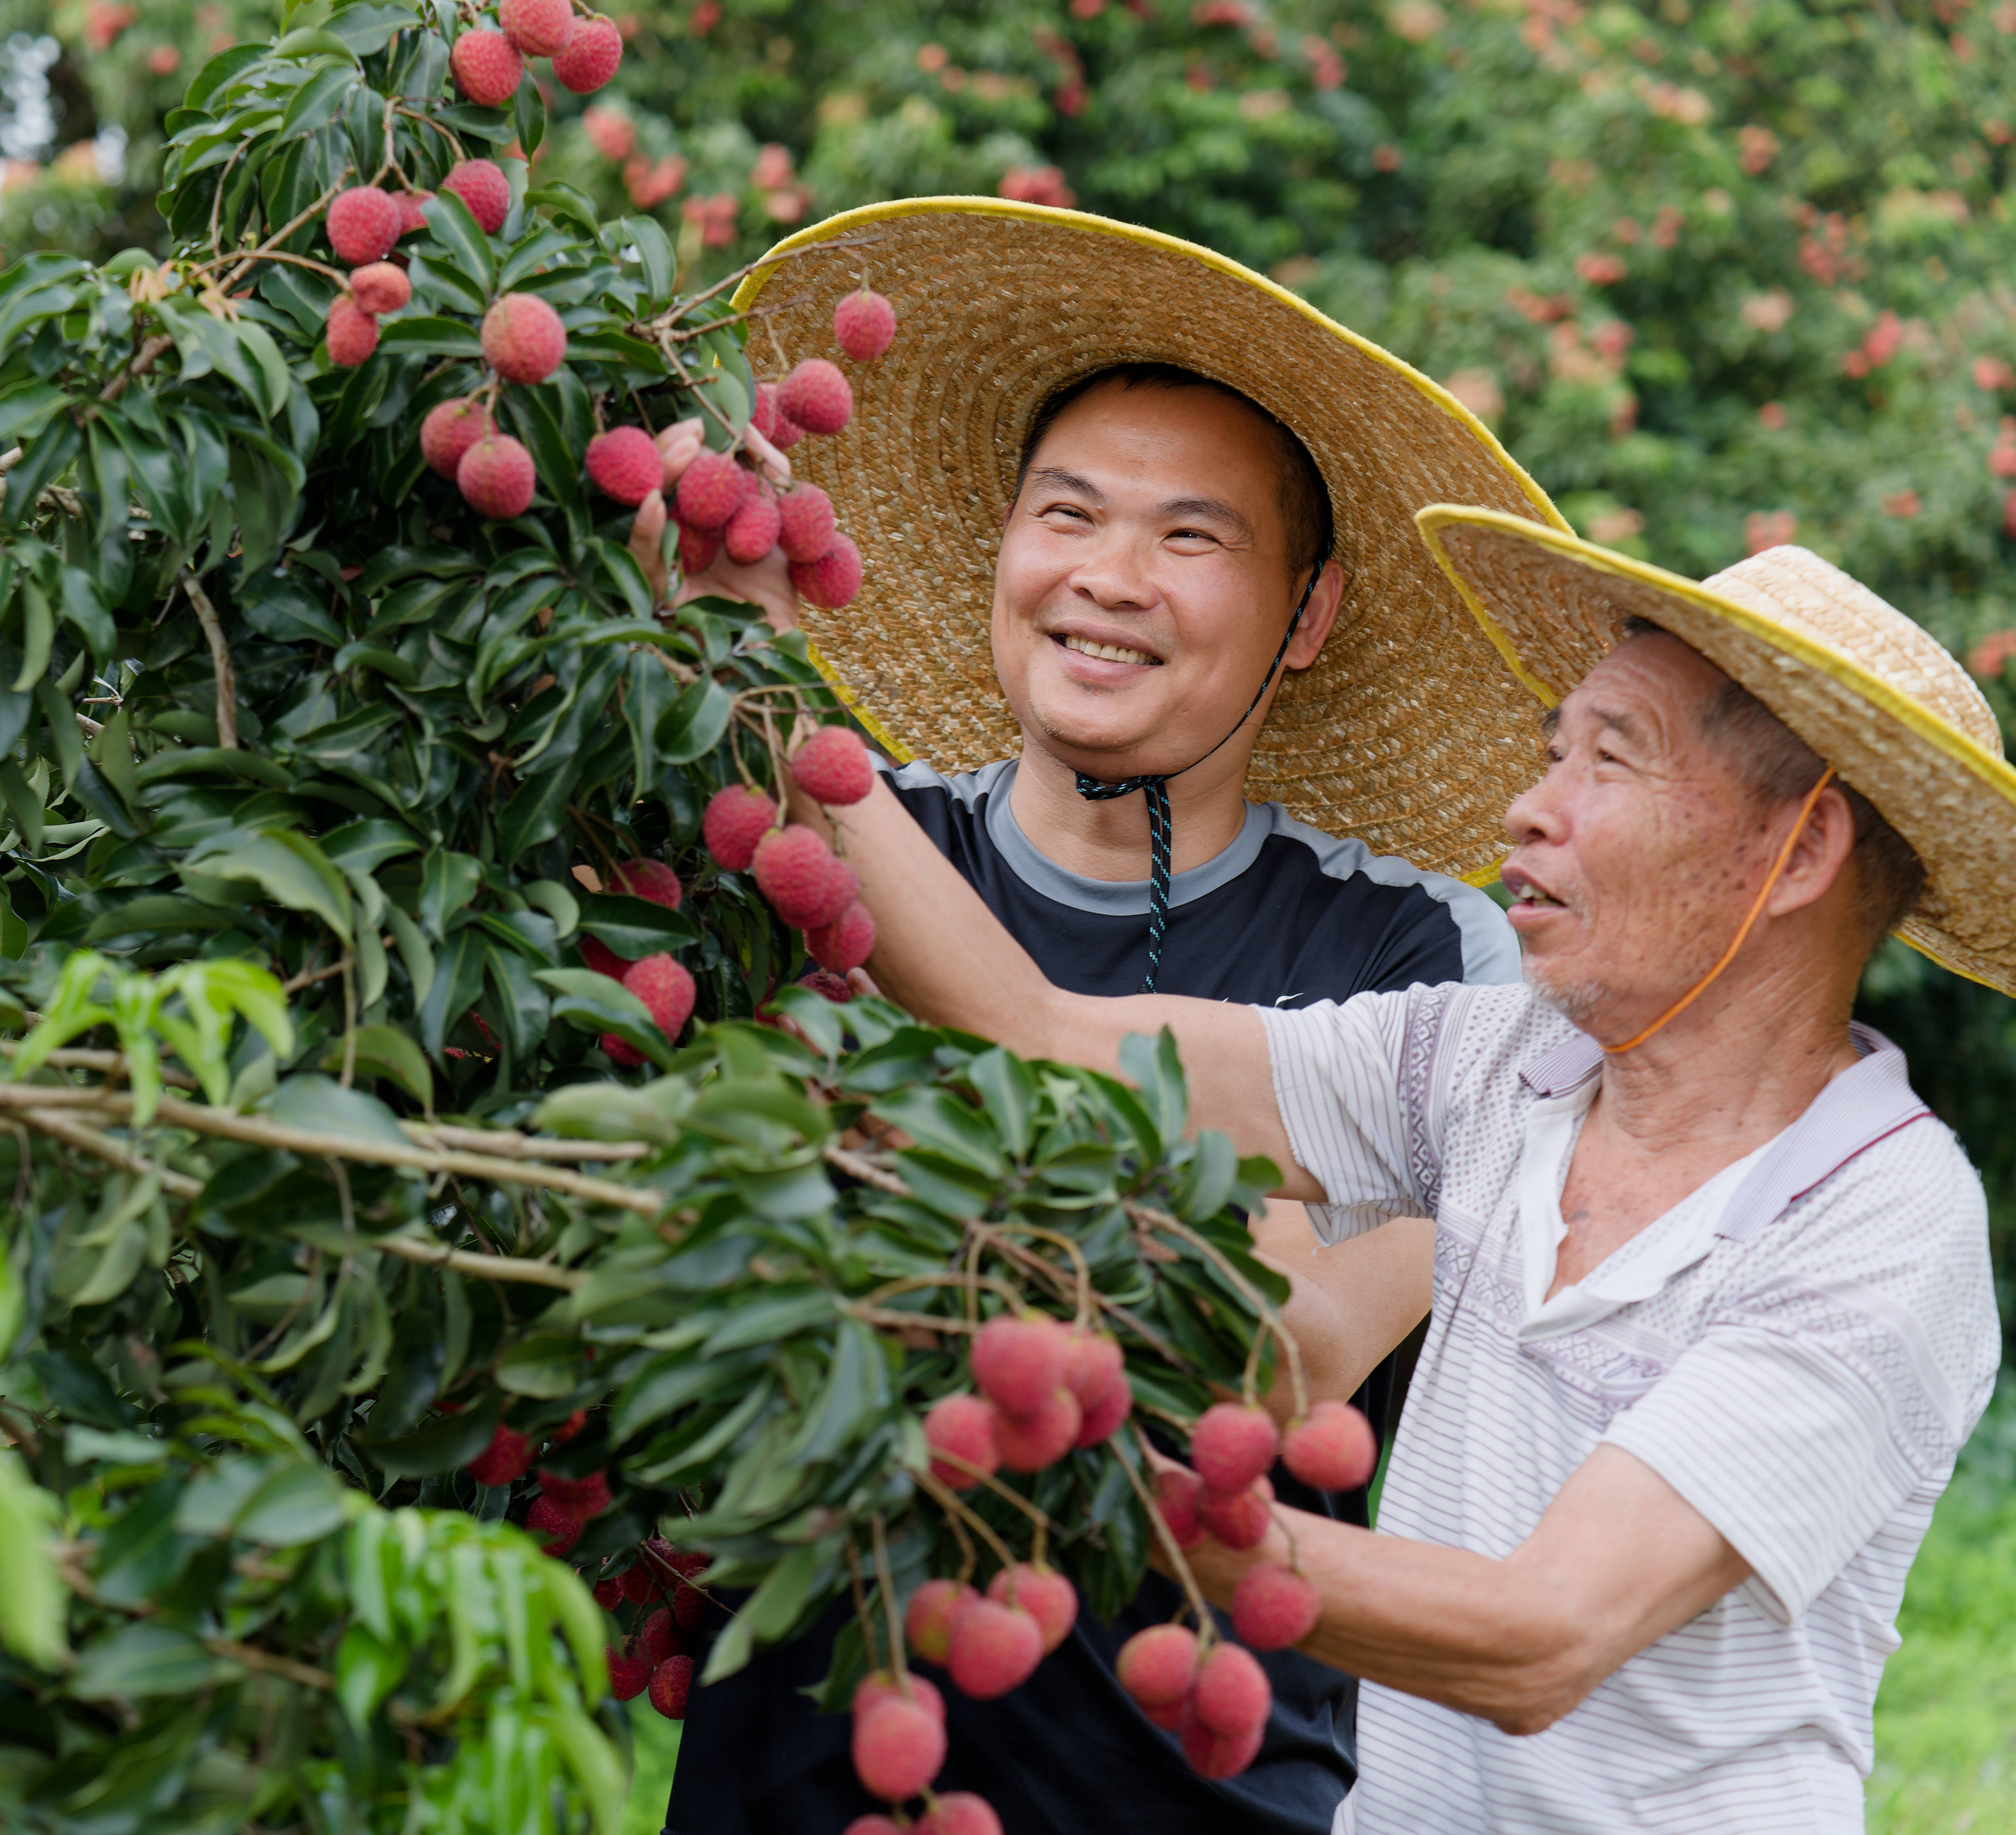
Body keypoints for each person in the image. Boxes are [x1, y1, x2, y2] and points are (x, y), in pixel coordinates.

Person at [806, 506, 2010, 1832]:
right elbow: (1046, 1038)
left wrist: (1076, 1482)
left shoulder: (1882, 1219)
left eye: (1607, 762)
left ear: (1803, 850)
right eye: (1552, 752)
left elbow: (1539, 1634)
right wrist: (749, 690)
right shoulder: (1492, 1063)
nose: (1529, 810)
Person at [662, 200, 1570, 1835]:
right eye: (1064, 514)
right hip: (806, 1776)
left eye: (1189, 538)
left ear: (1304, 617)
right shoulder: (799, 852)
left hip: (1209, 1793)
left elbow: (1294, 1352)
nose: (1105, 578)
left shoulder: (1414, 953)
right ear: (1000, 549)